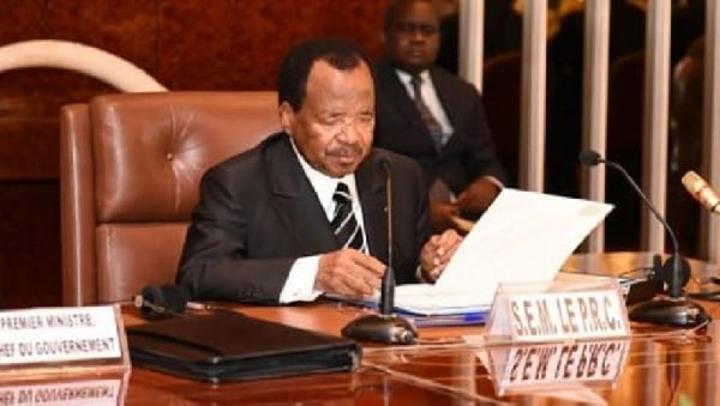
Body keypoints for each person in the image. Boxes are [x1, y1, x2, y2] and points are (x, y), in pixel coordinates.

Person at [176, 39, 462, 304]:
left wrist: (429, 267)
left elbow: (405, 277)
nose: (351, 137)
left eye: (365, 117)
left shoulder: (398, 176)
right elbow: (199, 274)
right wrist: (314, 274)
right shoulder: (238, 184)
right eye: (332, 119)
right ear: (288, 117)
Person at [373, 0, 508, 232]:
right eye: (407, 29)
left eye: (427, 31)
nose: (418, 38)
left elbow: (487, 159)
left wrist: (489, 183)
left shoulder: (461, 92)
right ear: (385, 35)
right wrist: (419, 210)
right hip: (397, 222)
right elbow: (365, 171)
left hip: (465, 220)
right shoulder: (368, 87)